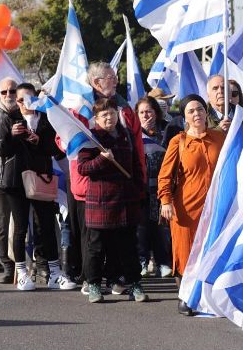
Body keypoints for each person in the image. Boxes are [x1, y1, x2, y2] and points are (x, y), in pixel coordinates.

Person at [0, 79, 75, 290]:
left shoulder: (46, 119)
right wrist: (11, 136)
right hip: (15, 180)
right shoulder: (8, 118)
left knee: (46, 225)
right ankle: (21, 272)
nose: (23, 103)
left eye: (28, 98)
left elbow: (55, 149)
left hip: (41, 178)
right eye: (20, 99)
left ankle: (54, 272)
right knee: (19, 228)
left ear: (36, 99)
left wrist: (37, 140)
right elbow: (1, 150)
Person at [64, 62, 145, 294]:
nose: (116, 80)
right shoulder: (80, 107)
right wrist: (100, 159)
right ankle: (91, 281)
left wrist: (139, 183)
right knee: (95, 242)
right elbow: (68, 144)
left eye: (115, 76)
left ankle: (118, 278)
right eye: (111, 77)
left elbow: (136, 147)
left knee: (123, 240)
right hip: (91, 190)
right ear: (96, 82)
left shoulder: (126, 110)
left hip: (123, 189)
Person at [157, 94, 225, 315]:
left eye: (200, 109)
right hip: (185, 208)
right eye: (191, 111)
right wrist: (165, 200)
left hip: (214, 207)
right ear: (184, 117)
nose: (197, 114)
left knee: (210, 251)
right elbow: (165, 176)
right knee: (185, 253)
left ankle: (210, 297)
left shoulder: (220, 138)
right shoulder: (179, 141)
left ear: (207, 112)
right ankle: (185, 297)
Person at [76, 97, 147, 303]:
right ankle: (95, 285)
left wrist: (138, 187)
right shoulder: (91, 138)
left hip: (125, 200)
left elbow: (135, 164)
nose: (109, 117)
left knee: (129, 247)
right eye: (104, 115)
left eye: (112, 113)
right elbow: (83, 168)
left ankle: (135, 284)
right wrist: (101, 159)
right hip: (100, 202)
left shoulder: (126, 135)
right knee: (96, 248)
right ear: (97, 118)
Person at [136, 96, 173, 278]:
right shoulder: (133, 135)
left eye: (149, 111)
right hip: (141, 189)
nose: (146, 115)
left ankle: (163, 262)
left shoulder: (166, 133)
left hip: (162, 189)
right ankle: (141, 261)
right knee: (141, 228)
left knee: (161, 227)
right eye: (142, 112)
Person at [206, 75, 243, 139]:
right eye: (215, 88)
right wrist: (218, 131)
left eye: (223, 87)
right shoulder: (201, 117)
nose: (220, 91)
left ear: (230, 93)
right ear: (208, 95)